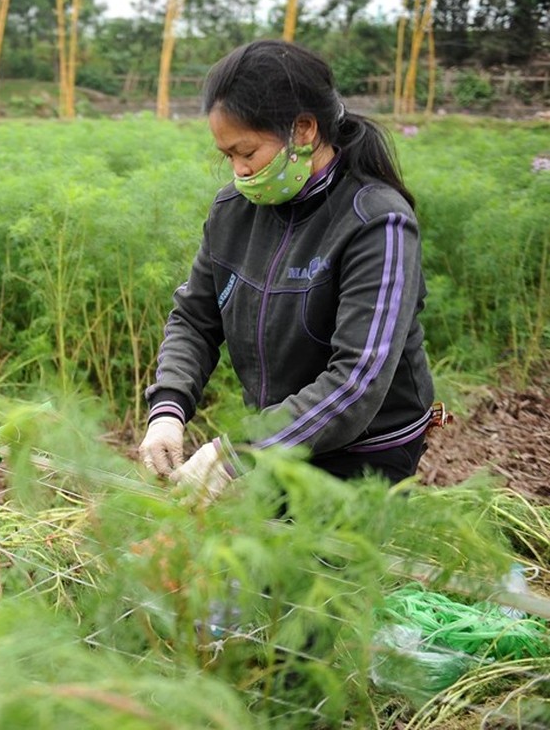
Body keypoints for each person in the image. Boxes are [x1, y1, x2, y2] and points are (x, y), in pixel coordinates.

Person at [139, 39, 435, 503]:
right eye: (227, 156)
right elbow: (195, 319)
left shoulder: (377, 222)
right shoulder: (233, 212)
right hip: (281, 438)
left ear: (302, 130)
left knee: (327, 572)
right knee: (258, 568)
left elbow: (357, 380)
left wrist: (237, 452)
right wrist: (168, 409)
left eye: (247, 152)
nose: (238, 171)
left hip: (364, 456)